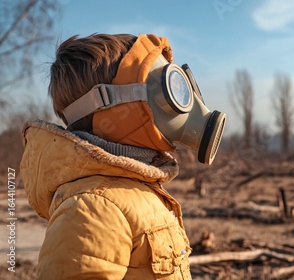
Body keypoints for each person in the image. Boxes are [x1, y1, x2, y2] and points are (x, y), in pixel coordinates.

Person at [20, 33, 226, 279]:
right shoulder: (91, 209)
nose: (188, 101)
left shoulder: (134, 187)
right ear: (108, 106)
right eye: (169, 88)